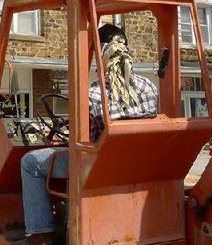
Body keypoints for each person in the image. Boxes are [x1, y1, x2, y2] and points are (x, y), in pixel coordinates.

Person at [20, 24, 158, 242]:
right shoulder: (149, 87)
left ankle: (41, 233)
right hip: (136, 165)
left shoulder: (93, 94)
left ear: (100, 54)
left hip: (99, 166)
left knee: (30, 162)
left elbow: (84, 140)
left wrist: (59, 133)